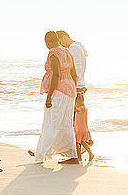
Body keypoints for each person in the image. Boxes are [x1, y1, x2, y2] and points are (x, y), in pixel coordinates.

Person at [28, 31, 79, 164]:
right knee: (66, 123)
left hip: (60, 90)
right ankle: (72, 155)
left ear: (47, 42)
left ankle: (41, 155)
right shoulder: (67, 51)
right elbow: (74, 73)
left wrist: (49, 96)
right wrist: (76, 90)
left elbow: (56, 75)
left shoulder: (53, 54)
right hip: (70, 90)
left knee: (51, 122)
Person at [56, 30, 93, 161]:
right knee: (75, 121)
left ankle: (74, 155)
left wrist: (71, 86)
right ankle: (77, 151)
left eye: (60, 41)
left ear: (65, 37)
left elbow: (76, 68)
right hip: (79, 86)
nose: (61, 45)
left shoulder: (74, 48)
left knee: (73, 122)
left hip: (77, 87)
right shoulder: (78, 46)